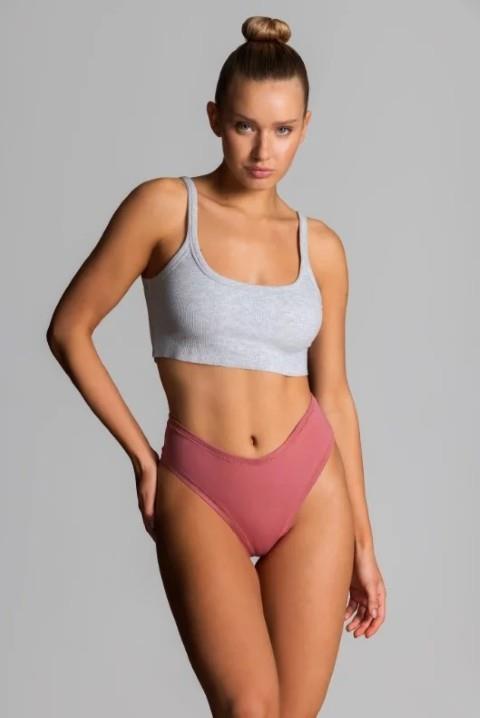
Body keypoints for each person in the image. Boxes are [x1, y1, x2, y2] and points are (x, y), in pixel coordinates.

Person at [46, 14, 386, 718]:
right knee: (248, 708)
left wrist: (364, 540)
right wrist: (143, 460)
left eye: (283, 129)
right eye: (244, 126)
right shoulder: (165, 208)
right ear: (214, 118)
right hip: (203, 486)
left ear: (306, 127)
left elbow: (336, 396)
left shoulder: (321, 248)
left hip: (312, 490)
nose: (264, 150)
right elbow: (69, 329)